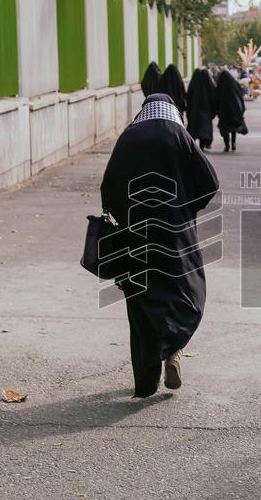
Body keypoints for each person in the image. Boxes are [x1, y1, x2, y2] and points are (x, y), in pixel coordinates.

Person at [100, 93, 219, 398]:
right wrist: (186, 207)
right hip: (175, 234)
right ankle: (174, 351)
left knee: (140, 306)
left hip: (135, 235)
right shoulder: (179, 135)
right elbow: (209, 182)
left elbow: (108, 187)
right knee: (183, 293)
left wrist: (126, 215)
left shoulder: (129, 136)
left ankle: (145, 381)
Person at [216, 69, 247, 152]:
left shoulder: (220, 86)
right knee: (233, 128)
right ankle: (233, 143)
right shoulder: (234, 84)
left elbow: (216, 98)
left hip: (223, 112)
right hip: (234, 111)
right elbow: (240, 96)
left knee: (225, 128)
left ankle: (227, 145)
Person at [186, 67, 217, 150]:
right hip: (206, 110)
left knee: (194, 128)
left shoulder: (193, 84)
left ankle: (193, 144)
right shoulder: (209, 85)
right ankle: (203, 145)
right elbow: (214, 98)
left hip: (194, 110)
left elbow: (188, 97)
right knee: (205, 129)